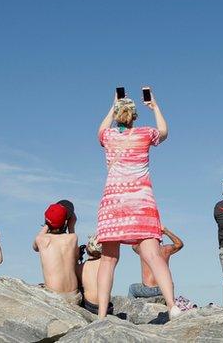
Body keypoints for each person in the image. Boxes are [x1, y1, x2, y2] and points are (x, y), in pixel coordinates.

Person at [95, 91, 179, 319]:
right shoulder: (144, 134)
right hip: (141, 203)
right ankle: (172, 305)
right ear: (134, 116)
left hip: (113, 204)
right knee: (153, 255)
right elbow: (164, 132)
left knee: (108, 259)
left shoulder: (109, 136)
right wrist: (155, 106)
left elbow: (100, 131)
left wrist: (112, 107)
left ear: (117, 114)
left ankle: (102, 315)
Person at [33, 203, 80, 304]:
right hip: (74, 296)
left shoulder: (41, 240)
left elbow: (35, 247)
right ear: (65, 222)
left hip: (54, 296)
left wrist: (47, 224)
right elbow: (76, 257)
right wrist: (71, 225)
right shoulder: (73, 238)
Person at [129, 226, 184, 298]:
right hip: (163, 289)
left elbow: (133, 245)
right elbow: (179, 244)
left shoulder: (142, 249)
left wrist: (143, 232)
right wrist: (166, 231)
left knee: (132, 288)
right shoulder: (165, 250)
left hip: (148, 289)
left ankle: (129, 308)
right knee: (170, 284)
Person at [79, 236, 113, 315]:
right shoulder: (106, 264)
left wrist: (77, 257)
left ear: (87, 249)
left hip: (90, 306)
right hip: (107, 307)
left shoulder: (80, 267)